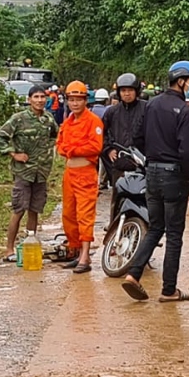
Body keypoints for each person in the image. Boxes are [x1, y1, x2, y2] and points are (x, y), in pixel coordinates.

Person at [120, 60, 189, 302]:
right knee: (175, 234)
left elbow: (137, 138)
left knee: (156, 227)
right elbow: (188, 153)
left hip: (153, 173)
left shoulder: (151, 105)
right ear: (181, 81)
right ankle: (169, 290)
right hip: (174, 176)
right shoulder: (186, 112)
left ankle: (133, 274)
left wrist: (154, 156)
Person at [0, 84, 57, 261]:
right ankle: (9, 249)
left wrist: (47, 154)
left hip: (41, 172)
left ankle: (31, 243)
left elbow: (54, 136)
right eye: (36, 97)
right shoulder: (19, 119)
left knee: (35, 210)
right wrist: (14, 154)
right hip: (23, 172)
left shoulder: (49, 119)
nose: (39, 100)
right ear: (29, 100)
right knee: (19, 209)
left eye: (42, 97)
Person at [55, 80, 104, 273]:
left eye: (79, 100)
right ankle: (74, 250)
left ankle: (85, 256)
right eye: (72, 100)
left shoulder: (93, 122)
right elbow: (60, 145)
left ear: (86, 101)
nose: (75, 103)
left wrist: (72, 150)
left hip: (85, 174)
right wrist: (67, 150)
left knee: (85, 215)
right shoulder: (67, 122)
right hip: (70, 174)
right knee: (69, 215)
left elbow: (95, 147)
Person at [101, 72, 147, 204]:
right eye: (123, 90)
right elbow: (102, 134)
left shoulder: (147, 108)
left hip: (142, 164)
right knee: (117, 200)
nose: (127, 94)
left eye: (130, 90)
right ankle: (114, 224)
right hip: (120, 164)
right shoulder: (112, 112)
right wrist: (108, 149)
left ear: (137, 91)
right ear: (119, 92)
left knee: (145, 200)